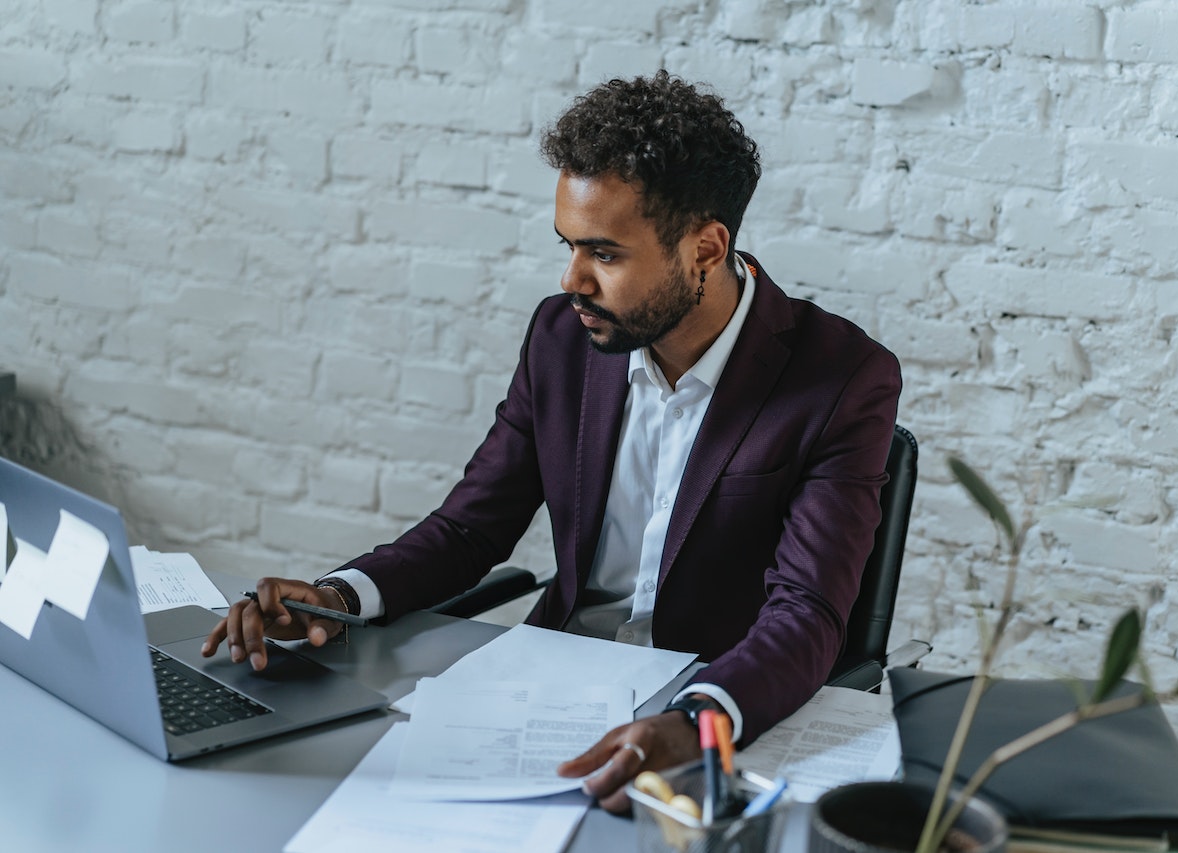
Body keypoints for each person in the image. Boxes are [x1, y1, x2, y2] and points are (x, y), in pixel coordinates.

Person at [202, 70, 901, 813]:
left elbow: (806, 612)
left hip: (717, 704)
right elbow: (470, 526)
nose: (573, 280)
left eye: (604, 253)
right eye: (567, 245)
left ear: (704, 247)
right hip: (550, 693)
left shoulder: (840, 379)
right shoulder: (561, 339)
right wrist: (338, 596)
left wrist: (697, 722)